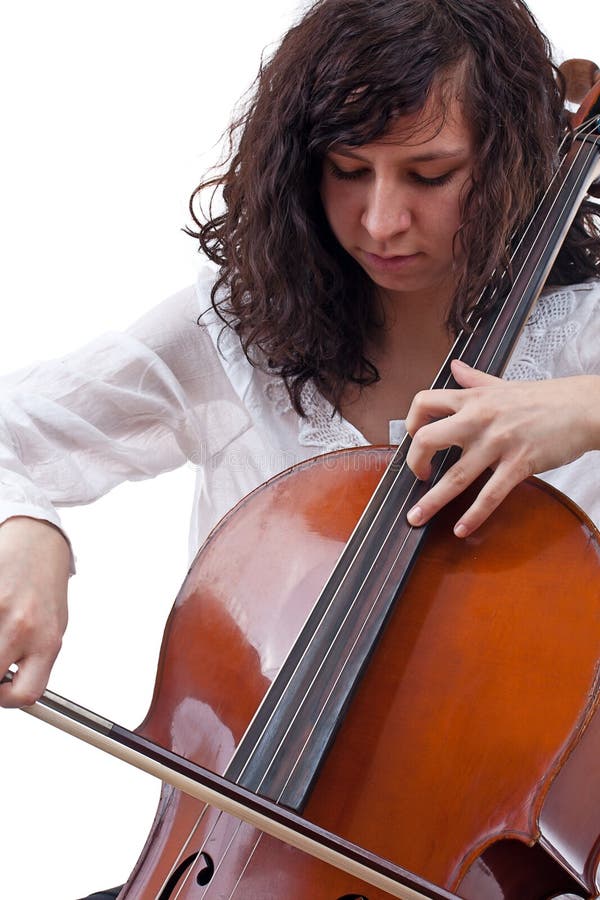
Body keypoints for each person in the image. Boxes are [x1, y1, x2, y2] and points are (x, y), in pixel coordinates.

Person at [1, 0, 599, 896]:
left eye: (430, 175)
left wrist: (585, 409)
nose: (381, 221)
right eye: (348, 171)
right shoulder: (241, 330)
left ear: (509, 162)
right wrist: (28, 527)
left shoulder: (581, 339)